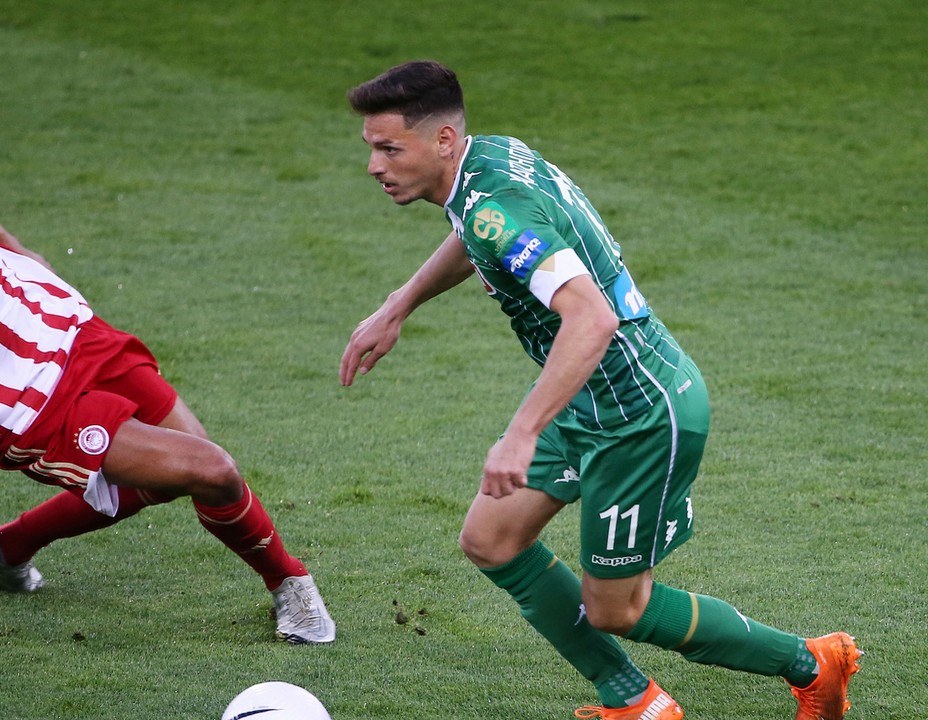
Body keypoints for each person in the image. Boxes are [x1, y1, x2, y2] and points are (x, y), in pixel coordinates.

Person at [340, 61, 860, 720]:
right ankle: (634, 700)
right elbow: (476, 234)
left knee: (618, 608)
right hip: (588, 397)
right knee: (491, 539)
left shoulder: (498, 206)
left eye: (390, 149)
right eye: (371, 149)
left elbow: (592, 318)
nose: (375, 166)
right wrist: (399, 303)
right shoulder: (488, 162)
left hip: (639, 413)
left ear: (443, 140)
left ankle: (813, 664)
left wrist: (522, 433)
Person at [0, 140, 335, 694]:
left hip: (67, 330)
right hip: (35, 410)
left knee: (181, 473)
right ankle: (291, 583)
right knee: (213, 471)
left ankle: (9, 547)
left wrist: (15, 246)